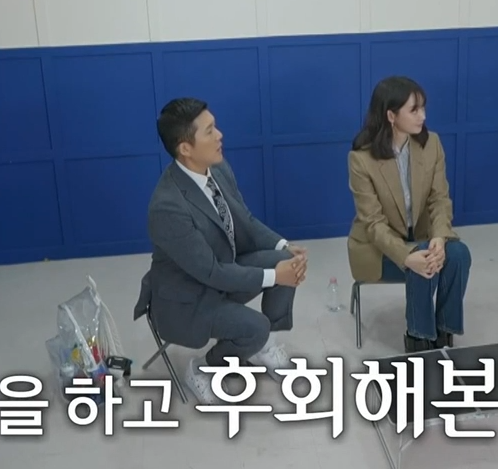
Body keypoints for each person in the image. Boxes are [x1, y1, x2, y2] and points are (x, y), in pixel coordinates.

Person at [138, 97, 307, 404]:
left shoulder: (217, 168)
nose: (220, 135)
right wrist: (274, 276)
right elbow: (211, 272)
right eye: (209, 131)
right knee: (257, 325)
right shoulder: (167, 206)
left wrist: (283, 245)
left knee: (286, 261)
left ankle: (263, 346)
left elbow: (246, 220)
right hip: (188, 299)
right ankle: (202, 368)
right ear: (185, 148)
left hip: (219, 274)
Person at [347, 76, 472, 353]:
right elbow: (373, 224)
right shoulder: (361, 159)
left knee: (459, 254)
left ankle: (444, 331)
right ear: (391, 116)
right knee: (421, 258)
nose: (423, 116)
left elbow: (440, 199)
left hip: (424, 239)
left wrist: (440, 237)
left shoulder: (432, 143)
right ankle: (418, 337)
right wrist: (406, 256)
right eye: (414, 110)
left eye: (423, 108)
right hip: (380, 250)